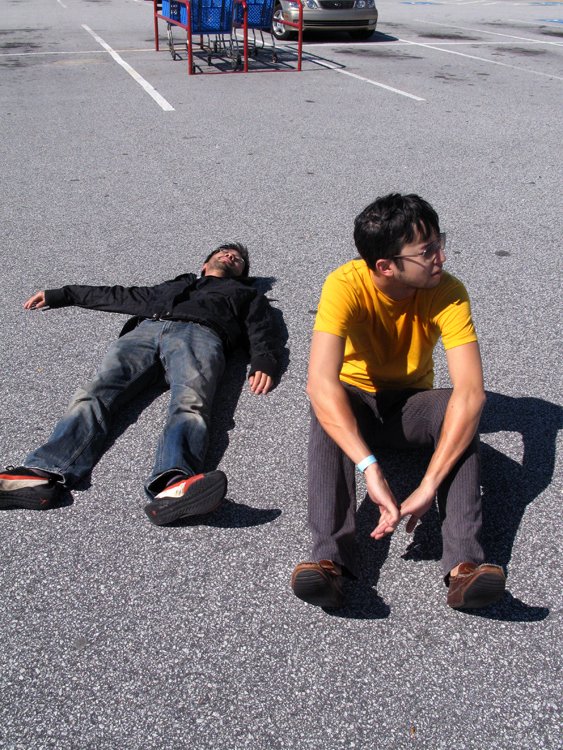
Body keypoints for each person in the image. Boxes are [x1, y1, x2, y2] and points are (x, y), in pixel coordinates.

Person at [290, 194, 506, 611]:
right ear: (386, 266)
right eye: (427, 251)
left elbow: (471, 392)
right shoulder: (344, 285)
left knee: (458, 410)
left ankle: (464, 567)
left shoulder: (448, 291)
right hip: (356, 402)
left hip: (409, 406)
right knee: (327, 404)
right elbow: (319, 382)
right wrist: (370, 469)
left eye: (439, 242)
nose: (441, 257)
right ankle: (329, 563)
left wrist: (428, 484)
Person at [0, 243, 279, 525]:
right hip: (146, 331)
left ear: (242, 274)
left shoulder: (245, 294)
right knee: (93, 394)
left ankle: (173, 485)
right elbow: (121, 295)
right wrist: (63, 294)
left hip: (201, 336)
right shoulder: (176, 286)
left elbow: (261, 327)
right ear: (204, 265)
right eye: (223, 253)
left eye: (237, 259)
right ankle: (40, 474)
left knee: (191, 402)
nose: (230, 257)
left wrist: (263, 361)